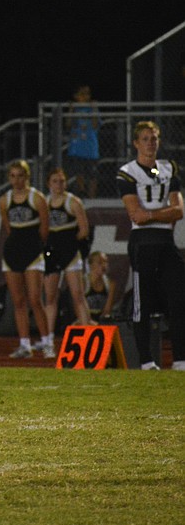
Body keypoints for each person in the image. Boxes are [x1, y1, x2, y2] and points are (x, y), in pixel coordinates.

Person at [116, 120, 185, 371]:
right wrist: (164, 213)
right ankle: (146, 361)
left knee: (178, 299)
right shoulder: (127, 172)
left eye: (154, 138)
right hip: (142, 243)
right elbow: (136, 214)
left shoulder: (169, 168)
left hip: (165, 241)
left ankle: (180, 359)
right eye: (145, 138)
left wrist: (153, 215)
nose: (150, 143)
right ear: (136, 143)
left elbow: (179, 211)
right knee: (142, 303)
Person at [0, 159, 53, 358]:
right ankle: (25, 345)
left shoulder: (36, 198)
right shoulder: (4, 200)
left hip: (32, 252)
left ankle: (47, 343)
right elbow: (8, 228)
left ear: (27, 177)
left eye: (20, 176)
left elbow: (45, 228)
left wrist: (36, 247)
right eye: (13, 176)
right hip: (13, 252)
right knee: (18, 301)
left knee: (35, 299)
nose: (17, 180)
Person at [42, 167, 92, 340]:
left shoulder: (73, 202)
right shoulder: (44, 204)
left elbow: (84, 230)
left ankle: (88, 334)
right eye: (55, 181)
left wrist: (69, 244)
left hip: (69, 252)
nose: (59, 185)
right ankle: (47, 337)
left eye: (62, 181)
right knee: (50, 297)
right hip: (52, 253)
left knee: (77, 295)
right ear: (48, 183)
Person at [65, 85, 100, 198]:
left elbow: (95, 125)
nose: (86, 97)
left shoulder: (91, 109)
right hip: (77, 150)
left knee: (93, 175)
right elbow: (69, 125)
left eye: (87, 94)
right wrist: (71, 109)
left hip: (90, 150)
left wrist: (94, 108)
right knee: (79, 172)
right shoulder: (75, 109)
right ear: (76, 96)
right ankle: (81, 192)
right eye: (82, 94)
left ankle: (92, 197)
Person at [85, 251, 118, 323]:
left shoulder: (110, 284)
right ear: (91, 265)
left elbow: (107, 311)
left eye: (105, 262)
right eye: (100, 262)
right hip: (85, 320)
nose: (104, 265)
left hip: (102, 321)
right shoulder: (83, 282)